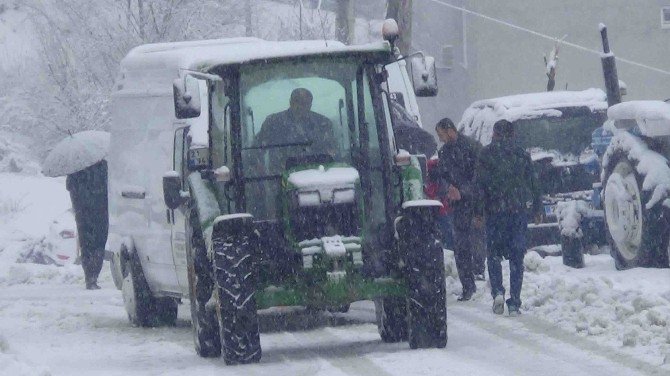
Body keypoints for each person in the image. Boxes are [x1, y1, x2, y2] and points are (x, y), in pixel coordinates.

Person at [476, 119, 542, 316]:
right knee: (516, 258)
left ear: (495, 134)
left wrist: (478, 212)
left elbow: (479, 186)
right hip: (517, 212)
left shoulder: (486, 155)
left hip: (494, 212)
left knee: (493, 255)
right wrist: (538, 208)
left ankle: (497, 291)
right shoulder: (521, 155)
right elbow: (533, 182)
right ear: (512, 135)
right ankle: (514, 302)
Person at [434, 118, 485, 301]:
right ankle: (468, 285)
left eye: (441, 134)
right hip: (457, 206)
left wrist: (462, 192)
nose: (440, 139)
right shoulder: (444, 153)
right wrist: (448, 189)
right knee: (461, 246)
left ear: (450, 130)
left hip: (474, 203)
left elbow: (480, 179)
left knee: (477, 240)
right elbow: (441, 177)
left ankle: (479, 274)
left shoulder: (472, 148)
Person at [66, 160, 108, 290]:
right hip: (100, 212)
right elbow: (107, 186)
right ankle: (93, 276)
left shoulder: (74, 168)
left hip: (83, 213)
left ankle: (90, 277)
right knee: (98, 244)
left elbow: (70, 187)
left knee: (87, 245)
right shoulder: (102, 165)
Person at [425, 158, 454, 250]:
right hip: (443, 209)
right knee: (447, 231)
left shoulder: (436, 178)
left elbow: (433, 192)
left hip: (441, 209)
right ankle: (449, 249)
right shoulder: (443, 176)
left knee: (445, 231)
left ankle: (448, 249)